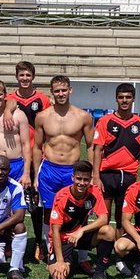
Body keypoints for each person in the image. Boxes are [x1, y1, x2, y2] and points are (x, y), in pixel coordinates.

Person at [90, 82, 140, 234]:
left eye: (128, 97)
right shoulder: (105, 121)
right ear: (116, 99)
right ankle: (104, 255)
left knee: (122, 220)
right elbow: (97, 150)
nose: (124, 100)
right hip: (106, 176)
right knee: (103, 218)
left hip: (128, 177)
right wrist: (96, 176)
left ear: (133, 99)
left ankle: (119, 255)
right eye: (121, 97)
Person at [33, 74, 94, 222]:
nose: (61, 94)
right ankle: (49, 244)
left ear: (70, 90)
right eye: (57, 91)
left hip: (72, 169)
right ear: (52, 92)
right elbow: (36, 147)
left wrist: (91, 174)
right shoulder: (42, 117)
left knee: (77, 209)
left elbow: (92, 146)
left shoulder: (83, 116)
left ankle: (77, 244)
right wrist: (36, 176)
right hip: (49, 169)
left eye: (64, 90)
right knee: (49, 211)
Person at [46, 160, 117, 279]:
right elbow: (55, 231)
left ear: (90, 179)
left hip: (80, 236)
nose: (82, 183)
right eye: (79, 179)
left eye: (86, 179)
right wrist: (61, 262)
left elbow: (103, 219)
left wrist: (81, 231)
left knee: (109, 231)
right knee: (58, 275)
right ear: (72, 177)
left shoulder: (95, 191)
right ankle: (55, 259)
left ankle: (99, 273)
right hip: (63, 239)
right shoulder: (61, 197)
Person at [12, 60, 51, 259]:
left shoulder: (43, 100)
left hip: (38, 157)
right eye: (21, 75)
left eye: (28, 75)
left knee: (37, 203)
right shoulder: (10, 99)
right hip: (16, 158)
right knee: (11, 202)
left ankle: (39, 243)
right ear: (16, 77)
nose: (25, 78)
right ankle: (9, 241)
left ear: (33, 77)